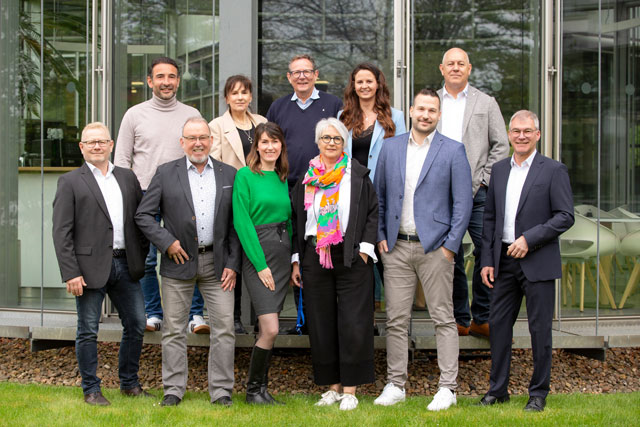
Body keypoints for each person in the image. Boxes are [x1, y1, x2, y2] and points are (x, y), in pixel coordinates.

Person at [373, 88, 472, 411]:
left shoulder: (453, 151)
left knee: (443, 318)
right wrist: (381, 237)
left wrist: (450, 247)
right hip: (397, 247)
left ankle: (447, 388)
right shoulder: (390, 148)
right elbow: (380, 196)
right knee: (396, 319)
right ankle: (396, 384)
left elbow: (463, 204)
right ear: (411, 112)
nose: (426, 115)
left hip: (436, 248)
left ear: (438, 115)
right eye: (421, 109)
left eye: (432, 110)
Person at [135, 117, 241, 407]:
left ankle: (221, 391)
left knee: (224, 329)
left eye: (203, 137)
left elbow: (237, 225)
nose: (198, 143)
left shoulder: (229, 174)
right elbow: (144, 215)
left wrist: (233, 263)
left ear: (211, 140)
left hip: (219, 266)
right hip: (178, 263)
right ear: (182, 142)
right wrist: (166, 242)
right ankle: (173, 389)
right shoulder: (166, 173)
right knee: (173, 329)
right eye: (192, 138)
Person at [477, 110, 574, 412]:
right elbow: (490, 217)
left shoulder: (553, 170)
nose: (521, 136)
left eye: (527, 131)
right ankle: (498, 390)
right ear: (509, 134)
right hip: (503, 262)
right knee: (499, 327)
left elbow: (565, 216)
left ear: (537, 135)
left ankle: (538, 393)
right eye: (516, 131)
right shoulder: (500, 169)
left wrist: (530, 239)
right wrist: (487, 260)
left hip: (538, 261)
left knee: (539, 329)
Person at [52, 122, 150, 405]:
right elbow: (61, 231)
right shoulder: (70, 181)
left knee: (137, 324)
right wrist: (70, 272)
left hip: (124, 265)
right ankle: (91, 390)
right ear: (82, 147)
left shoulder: (128, 178)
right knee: (88, 330)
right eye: (90, 142)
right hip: (87, 269)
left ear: (111, 145)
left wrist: (139, 257)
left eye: (102, 141)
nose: (97, 146)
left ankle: (129, 383)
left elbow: (140, 221)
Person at [115, 56, 208, 334]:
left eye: (171, 77)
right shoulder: (134, 114)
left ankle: (195, 315)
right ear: (150, 81)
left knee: (191, 251)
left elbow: (201, 151)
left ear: (178, 80)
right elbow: (121, 160)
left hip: (183, 192)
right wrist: (127, 197)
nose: (166, 82)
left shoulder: (192, 115)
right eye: (160, 77)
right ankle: (153, 313)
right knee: (146, 259)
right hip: (144, 194)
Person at [290, 118, 378, 411]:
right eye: (326, 138)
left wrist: (365, 249)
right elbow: (297, 220)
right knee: (321, 321)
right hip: (316, 254)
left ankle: (351, 390)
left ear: (344, 143)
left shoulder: (357, 175)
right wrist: (298, 258)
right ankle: (332, 388)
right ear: (318, 142)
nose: (331, 143)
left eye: (337, 139)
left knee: (353, 322)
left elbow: (372, 213)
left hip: (351, 256)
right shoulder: (308, 176)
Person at [266, 53, 342, 334]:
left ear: (315, 74)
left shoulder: (332, 104)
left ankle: (319, 320)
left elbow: (338, 141)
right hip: (289, 189)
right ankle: (301, 320)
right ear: (289, 77)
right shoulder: (278, 107)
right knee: (296, 249)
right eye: (295, 72)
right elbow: (270, 144)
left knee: (321, 251)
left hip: (325, 190)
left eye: (306, 71)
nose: (301, 76)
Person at [437, 47, 509, 338]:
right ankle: (459, 317)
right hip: (441, 193)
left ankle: (483, 315)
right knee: (447, 255)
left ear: (469, 68)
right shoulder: (432, 102)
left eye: (460, 63)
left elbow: (502, 145)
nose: (455, 67)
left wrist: (484, 180)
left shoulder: (486, 102)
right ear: (442, 69)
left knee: (487, 250)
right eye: (450, 64)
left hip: (478, 192)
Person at [338, 62, 406, 319]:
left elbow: (401, 158)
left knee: (386, 255)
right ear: (353, 87)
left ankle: (397, 319)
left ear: (378, 84)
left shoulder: (395, 117)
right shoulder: (343, 117)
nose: (365, 86)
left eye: (369, 81)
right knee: (359, 258)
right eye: (359, 82)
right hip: (352, 197)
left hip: (383, 196)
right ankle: (365, 317)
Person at [232, 122, 292, 404]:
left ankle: (261, 391)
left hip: (282, 255)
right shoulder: (245, 175)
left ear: (281, 146)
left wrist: (294, 262)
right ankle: (253, 390)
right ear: (256, 146)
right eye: (264, 142)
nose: (270, 147)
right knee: (270, 328)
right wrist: (259, 264)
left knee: (269, 326)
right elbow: (242, 222)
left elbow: (289, 222)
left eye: (275, 142)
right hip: (260, 256)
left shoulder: (282, 177)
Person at [209, 74, 267, 335]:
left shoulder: (262, 123)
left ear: (251, 96)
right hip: (233, 199)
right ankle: (232, 317)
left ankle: (261, 318)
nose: (240, 97)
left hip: (260, 199)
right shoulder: (217, 126)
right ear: (227, 98)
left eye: (244, 92)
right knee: (235, 256)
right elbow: (215, 165)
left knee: (259, 256)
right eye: (234, 93)